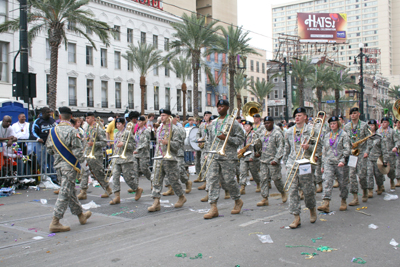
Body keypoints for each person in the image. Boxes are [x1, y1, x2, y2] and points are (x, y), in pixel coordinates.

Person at [46, 107, 91, 233]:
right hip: (69, 166)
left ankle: (81, 216)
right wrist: (85, 166)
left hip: (58, 166)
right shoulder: (73, 131)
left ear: (59, 117)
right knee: (65, 192)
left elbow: (49, 150)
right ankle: (55, 221)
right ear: (71, 117)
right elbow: (77, 151)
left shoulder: (52, 131)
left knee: (69, 191)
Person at [203, 100, 245, 220]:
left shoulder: (233, 123)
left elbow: (241, 139)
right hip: (214, 155)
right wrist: (208, 153)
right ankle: (213, 207)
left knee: (228, 181)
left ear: (227, 107)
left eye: (222, 106)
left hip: (227, 155)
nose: (219, 108)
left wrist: (227, 137)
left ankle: (237, 200)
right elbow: (209, 140)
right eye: (218, 106)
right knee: (212, 180)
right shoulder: (214, 122)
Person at [284, 107, 317, 229]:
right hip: (292, 163)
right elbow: (286, 148)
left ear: (305, 117)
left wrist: (309, 147)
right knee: (292, 191)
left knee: (308, 190)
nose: (297, 118)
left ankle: (312, 209)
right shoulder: (289, 132)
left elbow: (319, 146)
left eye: (299, 115)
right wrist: (286, 162)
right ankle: (296, 216)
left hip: (305, 163)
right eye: (295, 116)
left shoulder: (312, 130)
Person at [148, 109, 186, 212]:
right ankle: (156, 202)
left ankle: (181, 196)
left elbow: (178, 145)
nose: (162, 117)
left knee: (173, 180)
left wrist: (168, 142)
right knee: (156, 179)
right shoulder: (160, 127)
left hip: (170, 159)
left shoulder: (175, 129)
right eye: (161, 115)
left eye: (164, 115)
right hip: (159, 157)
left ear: (169, 117)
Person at [318, 116, 351, 212]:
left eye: (334, 123)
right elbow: (324, 150)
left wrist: (343, 160)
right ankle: (326, 203)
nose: (332, 125)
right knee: (327, 182)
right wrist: (323, 165)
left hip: (340, 163)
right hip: (329, 162)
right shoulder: (327, 135)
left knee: (343, 183)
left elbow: (347, 149)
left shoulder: (344, 135)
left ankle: (343, 200)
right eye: (331, 124)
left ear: (338, 124)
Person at [77, 113, 113, 200]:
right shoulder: (86, 128)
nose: (87, 120)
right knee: (84, 172)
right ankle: (83, 191)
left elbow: (104, 142)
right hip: (87, 153)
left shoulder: (98, 128)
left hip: (96, 155)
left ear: (93, 118)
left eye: (88, 118)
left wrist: (94, 144)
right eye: (86, 118)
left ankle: (107, 188)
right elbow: (86, 140)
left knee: (98, 173)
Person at [109, 118, 143, 205]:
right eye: (117, 124)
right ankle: (117, 196)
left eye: (120, 124)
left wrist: (124, 144)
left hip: (126, 159)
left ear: (124, 124)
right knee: (115, 177)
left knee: (128, 178)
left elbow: (133, 146)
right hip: (117, 158)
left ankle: (137, 189)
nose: (118, 125)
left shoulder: (128, 133)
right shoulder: (116, 133)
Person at [256, 116, 287, 206]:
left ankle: (283, 192)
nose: (267, 125)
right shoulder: (262, 133)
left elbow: (281, 148)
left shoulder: (277, 133)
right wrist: (257, 152)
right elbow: (258, 144)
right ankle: (264, 198)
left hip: (273, 161)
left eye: (268, 123)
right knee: (263, 179)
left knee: (276, 179)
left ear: (272, 123)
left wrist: (276, 159)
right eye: (265, 123)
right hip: (263, 160)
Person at [344, 107, 370, 205]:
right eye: (351, 114)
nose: (353, 115)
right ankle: (355, 197)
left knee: (362, 175)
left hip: (362, 153)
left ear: (358, 114)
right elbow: (345, 140)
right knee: (351, 175)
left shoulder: (364, 125)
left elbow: (369, 139)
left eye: (355, 113)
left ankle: (365, 190)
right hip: (352, 153)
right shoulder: (346, 126)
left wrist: (367, 151)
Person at [162, 114, 192, 195]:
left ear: (175, 120)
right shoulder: (165, 128)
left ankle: (187, 182)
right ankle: (170, 188)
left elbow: (181, 139)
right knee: (168, 171)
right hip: (168, 153)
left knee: (180, 170)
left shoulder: (179, 128)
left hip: (178, 152)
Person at [32, 107, 57, 182]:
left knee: (51, 161)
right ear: (43, 113)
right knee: (42, 161)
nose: (49, 114)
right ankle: (44, 177)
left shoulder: (52, 120)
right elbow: (33, 132)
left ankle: (53, 178)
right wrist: (38, 138)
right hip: (42, 144)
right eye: (47, 112)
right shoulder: (38, 121)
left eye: (50, 112)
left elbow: (56, 129)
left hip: (51, 144)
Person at [365, 119, 387, 195]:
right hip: (369, 158)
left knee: (378, 174)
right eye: (369, 125)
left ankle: (380, 186)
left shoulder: (379, 137)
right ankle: (370, 189)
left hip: (378, 158)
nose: (371, 127)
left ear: (375, 126)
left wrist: (385, 160)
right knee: (369, 174)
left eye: (372, 125)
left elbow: (384, 149)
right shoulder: (366, 137)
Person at [130, 116, 152, 191]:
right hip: (136, 154)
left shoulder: (146, 131)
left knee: (144, 169)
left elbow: (146, 143)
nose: (138, 123)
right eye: (138, 121)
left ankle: (153, 180)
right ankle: (135, 187)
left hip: (143, 153)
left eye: (140, 121)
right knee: (135, 170)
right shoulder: (137, 131)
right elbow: (135, 142)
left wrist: (138, 149)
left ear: (143, 122)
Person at [238, 121, 261, 194]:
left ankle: (258, 184)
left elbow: (255, 146)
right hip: (243, 156)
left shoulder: (254, 135)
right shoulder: (243, 135)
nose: (246, 127)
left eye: (248, 126)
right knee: (242, 172)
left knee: (254, 172)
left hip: (251, 156)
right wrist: (239, 150)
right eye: (245, 126)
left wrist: (252, 156)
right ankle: (242, 187)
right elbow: (240, 144)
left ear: (251, 127)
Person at [377, 117, 397, 190]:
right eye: (382, 122)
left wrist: (396, 147)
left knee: (391, 169)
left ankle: (392, 180)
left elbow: (396, 141)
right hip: (381, 154)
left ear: (388, 123)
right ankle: (381, 184)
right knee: (380, 170)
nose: (383, 124)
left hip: (390, 153)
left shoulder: (392, 131)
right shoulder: (378, 132)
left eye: (385, 122)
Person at [194, 111, 212, 183]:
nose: (205, 117)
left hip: (210, 147)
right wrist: (199, 139)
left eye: (207, 115)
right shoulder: (202, 125)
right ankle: (204, 180)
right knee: (202, 164)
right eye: (205, 115)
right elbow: (198, 133)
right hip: (203, 148)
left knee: (210, 165)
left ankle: (212, 181)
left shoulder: (212, 125)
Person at [314, 111, 329, 194]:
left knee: (327, 168)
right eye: (319, 115)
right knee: (318, 168)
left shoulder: (329, 125)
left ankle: (329, 183)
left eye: (322, 115)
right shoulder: (316, 126)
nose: (321, 117)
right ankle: (320, 185)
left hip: (328, 149)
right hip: (319, 149)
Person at [12, 114, 30, 178]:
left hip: (26, 144)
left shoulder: (28, 124)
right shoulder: (14, 125)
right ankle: (22, 177)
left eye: (25, 117)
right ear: (19, 118)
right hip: (17, 144)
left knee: (27, 160)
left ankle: (28, 176)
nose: (24, 118)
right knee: (21, 159)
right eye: (22, 117)